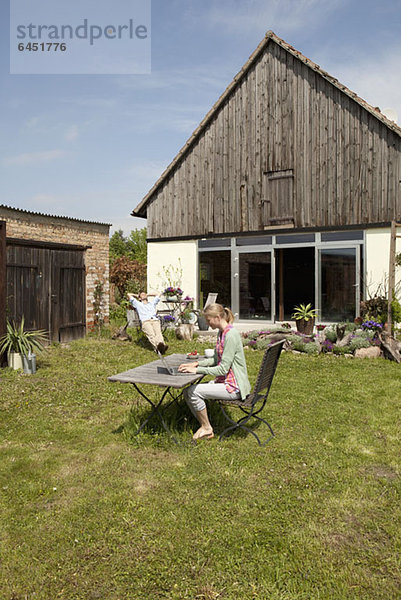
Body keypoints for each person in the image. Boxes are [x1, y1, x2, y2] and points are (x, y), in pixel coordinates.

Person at [178, 303, 251, 441]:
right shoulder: (222, 333)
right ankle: (205, 425)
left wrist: (196, 370)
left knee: (193, 392)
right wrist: (197, 363)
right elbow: (216, 359)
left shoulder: (231, 335)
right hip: (225, 381)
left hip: (234, 387)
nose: (207, 322)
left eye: (208, 319)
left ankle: (206, 428)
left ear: (217, 317)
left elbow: (223, 368)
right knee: (186, 392)